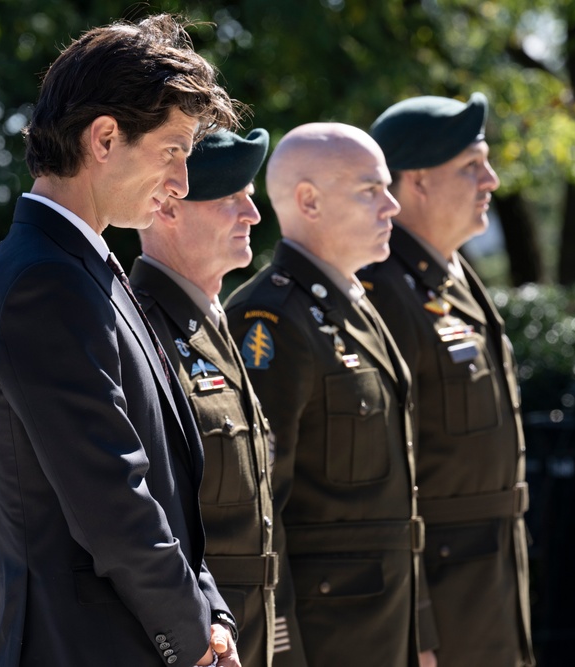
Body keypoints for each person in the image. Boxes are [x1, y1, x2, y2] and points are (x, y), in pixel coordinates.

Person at [0, 15, 244, 666]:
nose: (180, 180)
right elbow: (114, 503)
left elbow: (163, 485)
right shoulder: (45, 281)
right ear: (106, 138)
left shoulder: (84, 267)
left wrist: (211, 612)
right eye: (172, 150)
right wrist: (196, 637)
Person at [225, 123, 435, 667]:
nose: (391, 206)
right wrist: (281, 650)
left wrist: (423, 634)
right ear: (308, 201)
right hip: (325, 640)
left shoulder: (359, 306)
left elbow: (397, 509)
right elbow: (260, 513)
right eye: (371, 190)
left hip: (385, 630)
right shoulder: (269, 320)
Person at [359, 93, 535, 667]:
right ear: (417, 182)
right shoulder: (383, 289)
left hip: (489, 585)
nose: (492, 179)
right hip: (440, 593)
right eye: (470, 166)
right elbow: (381, 486)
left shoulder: (452, 277)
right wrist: (419, 625)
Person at [128, 128, 283, 667]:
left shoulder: (212, 321)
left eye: (251, 196)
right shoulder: (141, 327)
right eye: (231, 199)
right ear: (168, 207)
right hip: (204, 638)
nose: (253, 214)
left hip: (248, 625)